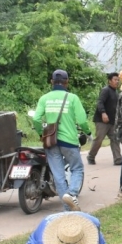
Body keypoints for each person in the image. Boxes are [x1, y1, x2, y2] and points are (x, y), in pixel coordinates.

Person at [33, 69, 90, 211]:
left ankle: (67, 207)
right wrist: (88, 132)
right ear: (67, 82)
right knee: (77, 168)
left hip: (50, 142)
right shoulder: (72, 98)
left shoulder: (44, 98)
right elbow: (82, 120)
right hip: (69, 141)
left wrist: (41, 133)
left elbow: (36, 119)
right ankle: (72, 194)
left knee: (58, 175)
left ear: (52, 82)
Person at [87, 72, 122, 166]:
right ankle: (91, 156)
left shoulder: (116, 92)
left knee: (115, 139)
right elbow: (100, 102)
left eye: (118, 80)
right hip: (102, 121)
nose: (117, 82)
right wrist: (103, 113)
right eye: (115, 80)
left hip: (112, 121)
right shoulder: (105, 90)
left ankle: (118, 159)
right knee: (99, 139)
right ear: (109, 81)